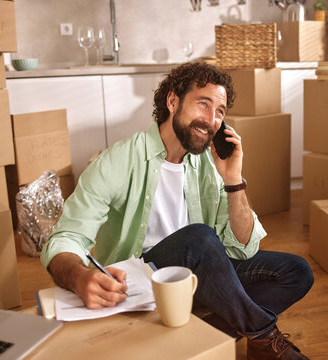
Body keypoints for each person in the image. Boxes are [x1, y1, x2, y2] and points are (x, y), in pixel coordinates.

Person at [41, 62, 314, 360]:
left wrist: (234, 181)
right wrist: (79, 277)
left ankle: (197, 340)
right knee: (198, 239)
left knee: (296, 272)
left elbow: (243, 248)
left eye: (220, 111)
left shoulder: (210, 163)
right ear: (173, 102)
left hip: (201, 277)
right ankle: (263, 338)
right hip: (145, 280)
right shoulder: (117, 161)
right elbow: (67, 237)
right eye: (203, 104)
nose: (211, 120)